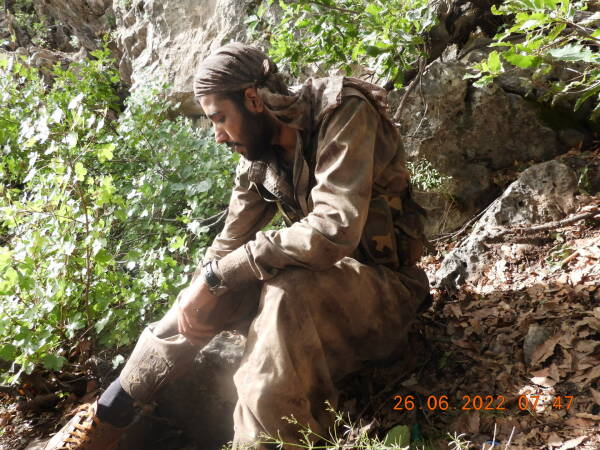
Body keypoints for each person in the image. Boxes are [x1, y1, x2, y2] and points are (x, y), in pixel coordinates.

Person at [44, 43, 430, 450]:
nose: (218, 135)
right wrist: (200, 290)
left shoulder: (341, 111)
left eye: (220, 118)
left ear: (252, 100)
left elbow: (333, 229)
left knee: (286, 289)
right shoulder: (258, 158)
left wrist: (220, 274)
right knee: (208, 293)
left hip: (388, 296)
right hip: (330, 299)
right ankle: (109, 414)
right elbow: (227, 245)